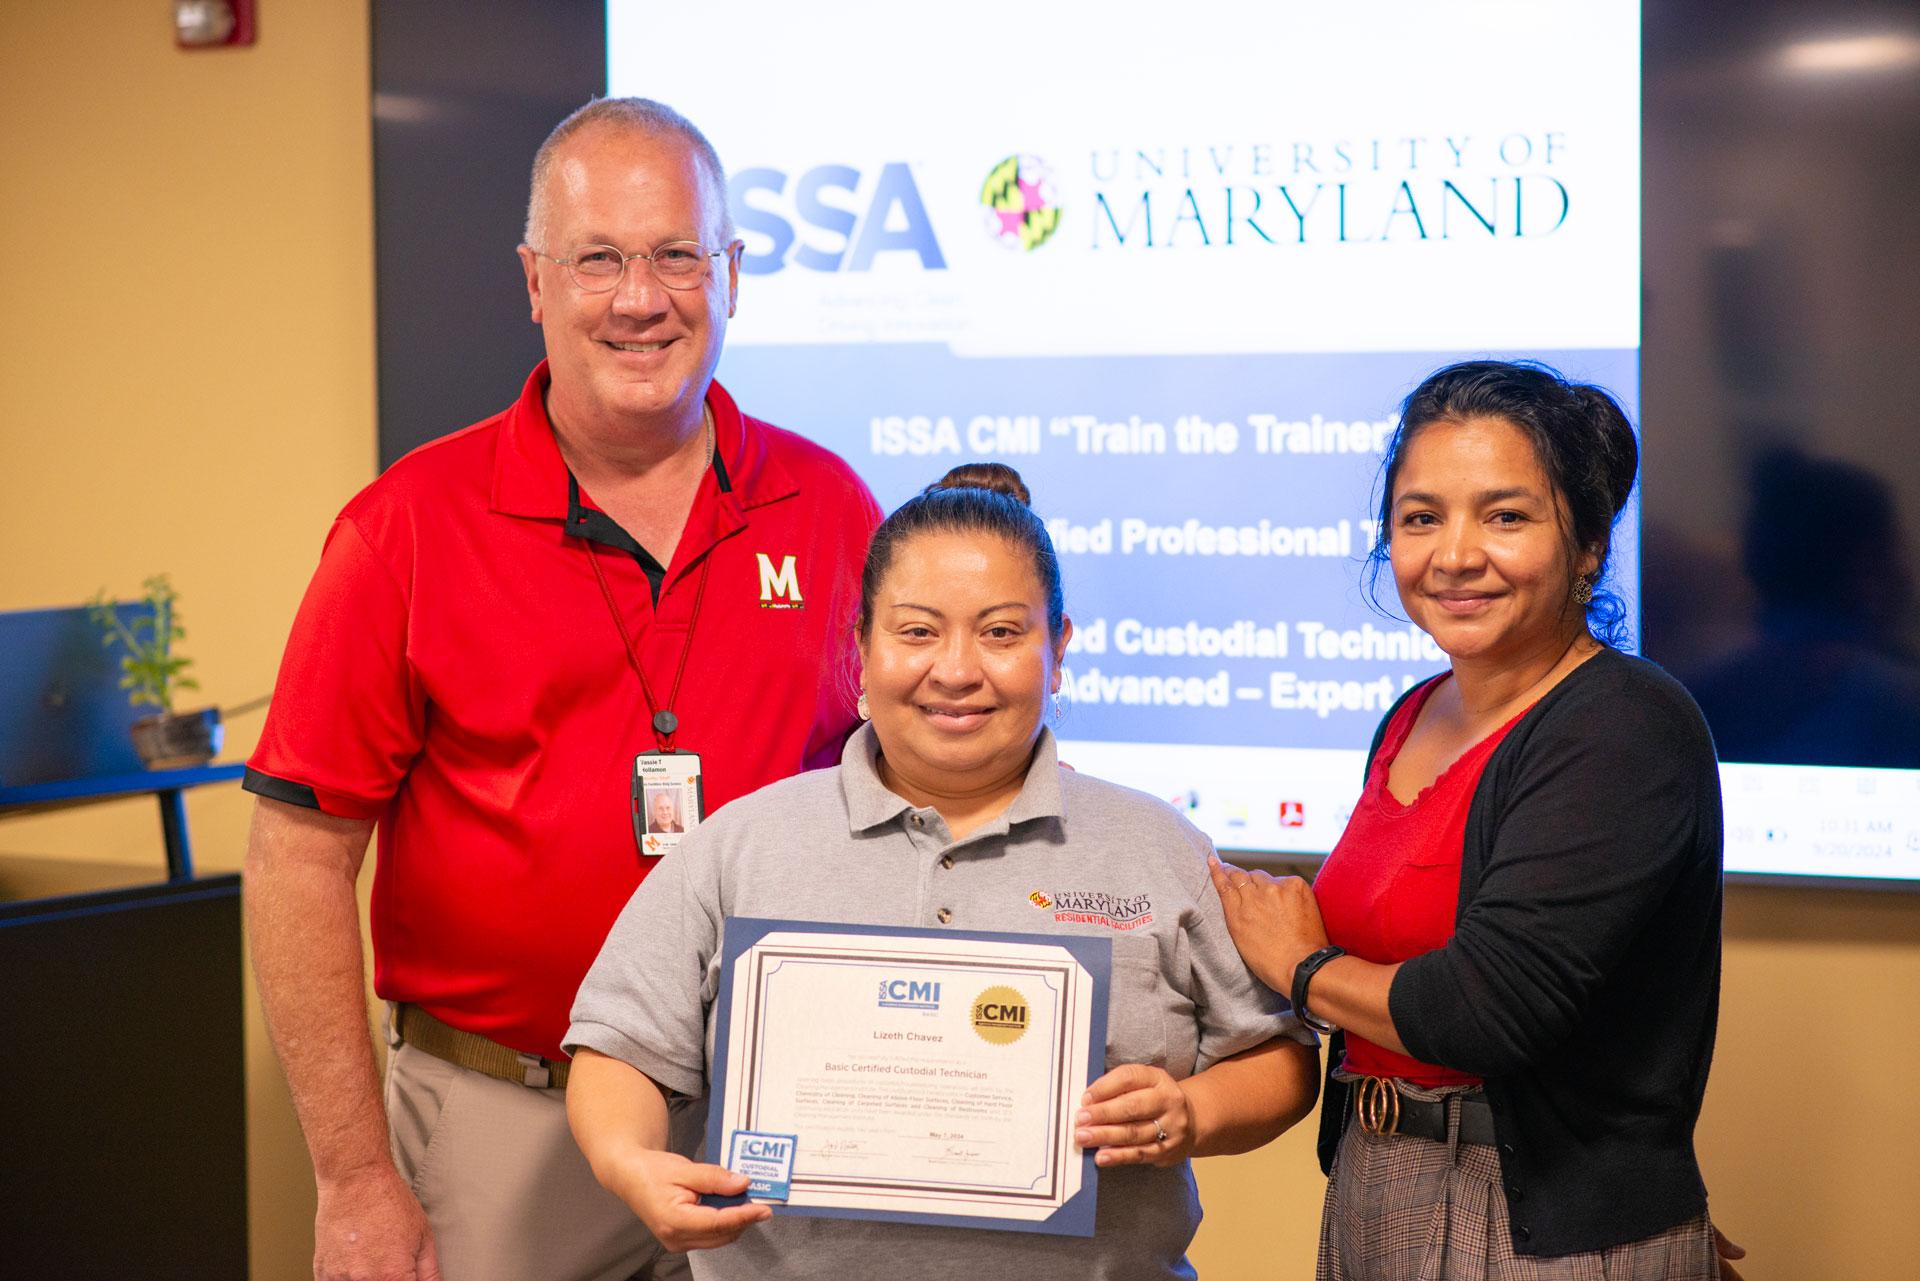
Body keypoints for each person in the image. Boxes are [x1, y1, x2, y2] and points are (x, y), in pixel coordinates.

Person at [241, 97, 881, 1281]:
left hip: (778, 1114)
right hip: (507, 1124)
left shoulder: (831, 507)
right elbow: (297, 858)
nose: (642, 298)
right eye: (600, 258)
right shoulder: (408, 530)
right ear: (536, 282)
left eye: (677, 254)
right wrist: (353, 1179)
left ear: (732, 271)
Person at [563, 463, 1322, 1279]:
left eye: (1000, 632)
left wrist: (1192, 1109)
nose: (957, 670)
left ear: (1056, 650)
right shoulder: (743, 841)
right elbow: (622, 1045)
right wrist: (628, 1160)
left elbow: (1278, 1056)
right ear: (860, 646)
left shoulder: (1156, 846)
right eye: (917, 631)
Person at [1209, 362, 1739, 1280]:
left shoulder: (1624, 725)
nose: (1454, 554)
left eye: (1505, 516)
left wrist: (1300, 966)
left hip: (1537, 1220)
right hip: (1380, 1183)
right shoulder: (1412, 715)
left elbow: (1483, 1013)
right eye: (1421, 517)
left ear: (1588, 546)